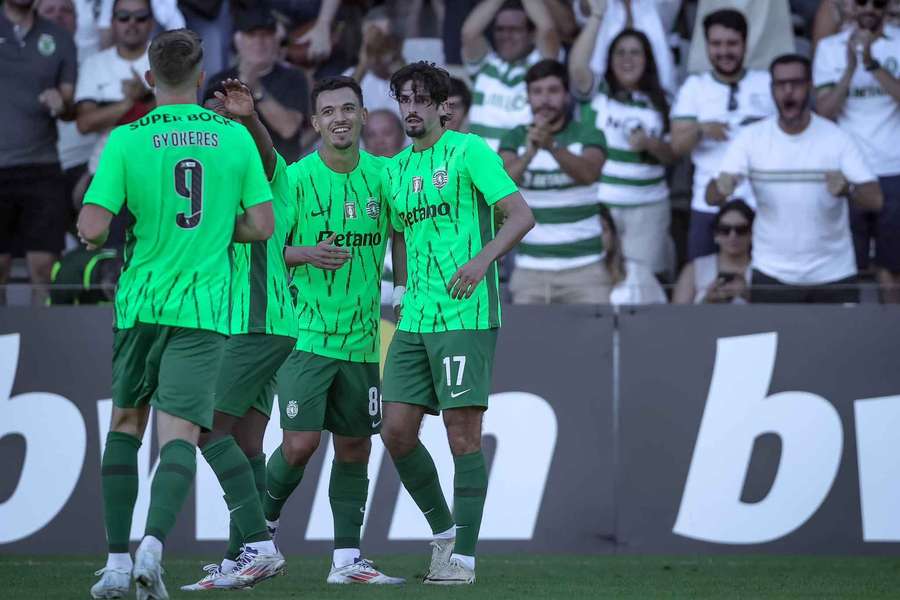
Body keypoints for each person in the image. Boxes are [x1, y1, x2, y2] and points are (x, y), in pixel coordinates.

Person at [78, 29, 281, 600]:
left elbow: (93, 229)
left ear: (149, 79)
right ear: (199, 79)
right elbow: (262, 227)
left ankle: (117, 563)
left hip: (141, 303)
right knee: (180, 436)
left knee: (124, 424)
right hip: (204, 309)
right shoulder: (235, 139)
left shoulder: (125, 139)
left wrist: (91, 233)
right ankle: (154, 547)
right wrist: (219, 229)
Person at [380, 61, 534, 585]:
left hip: (465, 314)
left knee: (461, 434)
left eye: (422, 99)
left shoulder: (470, 152)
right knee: (396, 431)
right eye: (404, 99)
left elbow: (520, 214)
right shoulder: (396, 169)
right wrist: (400, 290)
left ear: (443, 106)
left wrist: (481, 260)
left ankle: (463, 559)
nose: (412, 108)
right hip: (416, 316)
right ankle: (444, 534)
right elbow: (398, 233)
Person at [260, 76, 405, 586]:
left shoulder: (386, 176)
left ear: (364, 117)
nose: (340, 118)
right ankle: (259, 537)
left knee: (354, 448)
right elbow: (266, 246)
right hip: (306, 336)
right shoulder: (296, 179)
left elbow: (402, 231)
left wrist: (404, 288)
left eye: (349, 108)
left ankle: (347, 561)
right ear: (316, 122)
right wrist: (306, 253)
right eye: (329, 111)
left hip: (363, 340)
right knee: (299, 445)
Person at [178, 79, 299, 592]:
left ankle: (260, 545)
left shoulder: (266, 172)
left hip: (258, 320)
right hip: (242, 325)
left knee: (204, 428)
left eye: (226, 119)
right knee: (246, 441)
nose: (217, 126)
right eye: (214, 116)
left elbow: (267, 150)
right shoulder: (216, 184)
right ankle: (238, 558)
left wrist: (249, 118)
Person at [707, 54, 883, 304]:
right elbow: (711, 197)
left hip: (833, 273)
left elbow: (875, 200)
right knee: (772, 344)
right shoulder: (750, 139)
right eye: (780, 84)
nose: (788, 91)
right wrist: (722, 187)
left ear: (810, 86)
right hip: (772, 273)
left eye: (796, 83)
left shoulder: (837, 138)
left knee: (837, 345)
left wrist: (849, 188)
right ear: (772, 89)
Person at [499, 59, 609, 303]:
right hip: (531, 271)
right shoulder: (514, 137)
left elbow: (589, 173)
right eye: (537, 92)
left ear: (567, 95)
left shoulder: (588, 133)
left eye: (553, 90)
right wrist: (529, 153)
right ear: (527, 96)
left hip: (585, 269)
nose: (545, 99)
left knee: (593, 341)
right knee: (529, 342)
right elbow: (500, 187)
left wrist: (552, 146)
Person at [671, 9, 775, 261]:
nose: (724, 51)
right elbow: (676, 147)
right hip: (708, 204)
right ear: (706, 46)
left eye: (732, 43)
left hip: (762, 203)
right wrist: (701, 129)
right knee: (702, 281)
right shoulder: (694, 87)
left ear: (745, 43)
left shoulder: (768, 82)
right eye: (716, 44)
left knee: (762, 285)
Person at [572, 27, 676, 276]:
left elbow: (674, 155)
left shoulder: (663, 101)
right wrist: (596, 19)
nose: (627, 60)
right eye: (620, 53)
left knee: (643, 281)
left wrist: (651, 144)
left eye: (635, 53)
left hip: (648, 206)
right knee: (597, 277)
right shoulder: (597, 94)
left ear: (647, 59)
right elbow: (577, 66)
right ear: (609, 60)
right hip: (601, 203)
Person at [815, 0, 900, 302]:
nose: (869, 8)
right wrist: (850, 67)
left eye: (877, 2)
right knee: (850, 266)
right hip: (850, 170)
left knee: (895, 270)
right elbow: (824, 112)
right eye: (862, 1)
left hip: (894, 169)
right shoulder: (829, 48)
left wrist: (872, 63)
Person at [0, 0, 77, 305]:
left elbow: (70, 107)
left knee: (44, 269)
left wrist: (62, 103)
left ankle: (40, 349)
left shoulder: (59, 38)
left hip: (42, 166)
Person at [204, 5, 309, 162]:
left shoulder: (294, 77)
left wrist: (256, 88)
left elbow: (289, 129)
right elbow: (212, 132)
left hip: (281, 171)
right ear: (238, 40)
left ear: (276, 40)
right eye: (251, 35)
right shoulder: (219, 80)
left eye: (266, 35)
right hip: (235, 169)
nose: (259, 42)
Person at [461, 0, 559, 149]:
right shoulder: (485, 64)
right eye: (500, 29)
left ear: (531, 35)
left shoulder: (541, 67)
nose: (506, 35)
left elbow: (547, 30)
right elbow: (469, 33)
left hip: (519, 166)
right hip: (478, 167)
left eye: (515, 30)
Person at [75, 0, 155, 178]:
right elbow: (84, 123)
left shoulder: (165, 60)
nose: (132, 23)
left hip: (155, 170)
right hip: (105, 170)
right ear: (112, 22)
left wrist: (145, 98)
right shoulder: (94, 64)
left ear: (152, 22)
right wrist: (130, 103)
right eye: (123, 17)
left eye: (140, 17)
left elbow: (178, 115)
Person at [570, 0, 678, 94]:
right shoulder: (602, 4)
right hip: (601, 90)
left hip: (657, 94)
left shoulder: (657, 5)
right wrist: (596, 11)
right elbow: (584, 8)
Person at [673, 199, 754, 304]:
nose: (733, 236)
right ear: (716, 235)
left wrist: (749, 296)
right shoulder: (694, 269)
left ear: (752, 234)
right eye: (725, 230)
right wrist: (707, 300)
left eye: (741, 230)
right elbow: (678, 315)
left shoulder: (764, 271)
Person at [600, 204, 667, 304]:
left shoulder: (637, 272)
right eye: (591, 232)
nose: (598, 238)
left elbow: (659, 314)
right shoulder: (570, 277)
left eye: (603, 230)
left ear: (613, 234)